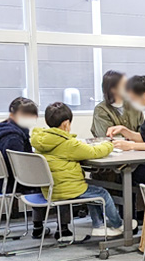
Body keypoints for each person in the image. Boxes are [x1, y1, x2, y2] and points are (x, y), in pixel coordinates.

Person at [30, 102, 123, 238]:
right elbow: (95, 151)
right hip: (67, 189)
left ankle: (99, 226)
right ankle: (119, 225)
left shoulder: (40, 140)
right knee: (102, 194)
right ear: (66, 124)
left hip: (50, 189)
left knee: (92, 190)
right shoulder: (68, 143)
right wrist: (109, 143)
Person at [0, 97, 57, 239]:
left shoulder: (2, 128)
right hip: (7, 183)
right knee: (50, 181)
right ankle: (42, 227)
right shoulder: (14, 137)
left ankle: (41, 226)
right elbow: (19, 166)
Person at [91, 70, 143, 138]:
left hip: (137, 147)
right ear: (113, 89)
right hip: (113, 148)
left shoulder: (134, 106)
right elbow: (108, 137)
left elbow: (144, 133)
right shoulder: (101, 110)